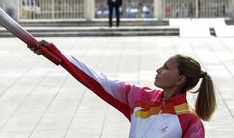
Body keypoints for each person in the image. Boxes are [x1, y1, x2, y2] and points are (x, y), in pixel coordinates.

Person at [29, 40, 217, 137]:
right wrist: (55, 54)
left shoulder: (189, 121)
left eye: (166, 68)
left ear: (180, 79)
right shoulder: (140, 98)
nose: (158, 70)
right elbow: (96, 80)